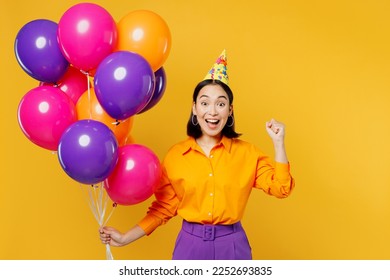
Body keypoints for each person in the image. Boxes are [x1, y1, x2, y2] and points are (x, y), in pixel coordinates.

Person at [99, 50, 295, 260]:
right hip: (190, 246)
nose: (212, 111)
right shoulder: (176, 156)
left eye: (220, 104)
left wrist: (278, 143)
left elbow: (281, 188)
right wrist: (125, 237)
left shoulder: (247, 153)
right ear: (194, 109)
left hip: (232, 246)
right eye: (204, 103)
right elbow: (163, 208)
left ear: (230, 110)